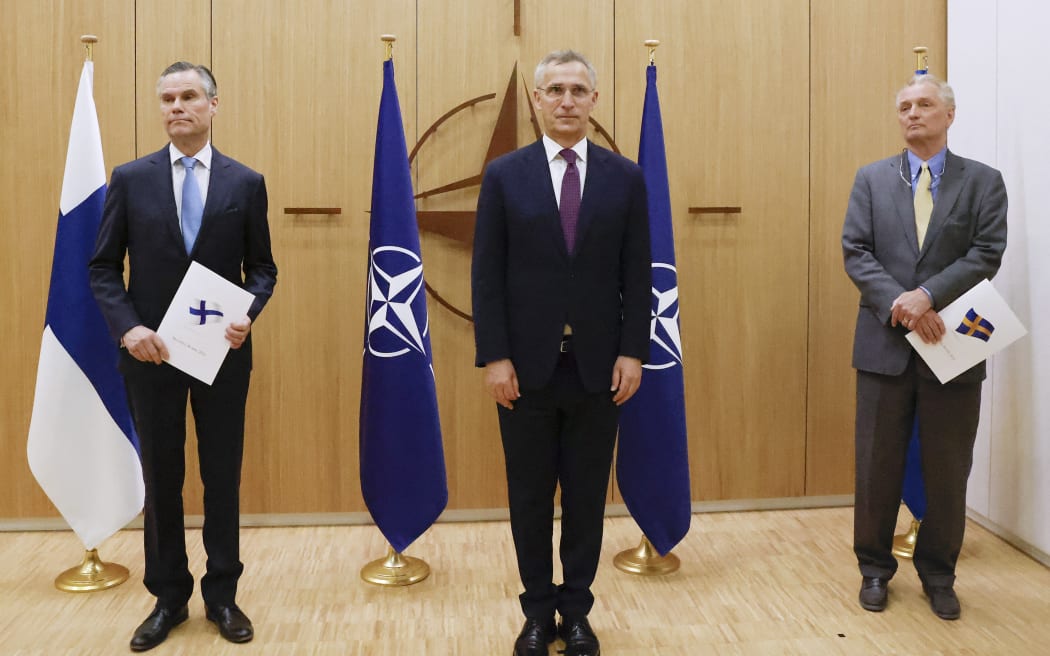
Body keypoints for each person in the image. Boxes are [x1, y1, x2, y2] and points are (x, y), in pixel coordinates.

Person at [89, 61, 277, 651]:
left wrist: (250, 311)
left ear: (213, 105)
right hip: (151, 357)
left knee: (221, 475)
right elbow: (101, 268)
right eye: (167, 98)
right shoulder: (130, 178)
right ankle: (168, 597)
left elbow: (263, 269)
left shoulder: (244, 183)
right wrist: (129, 328)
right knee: (162, 477)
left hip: (222, 355)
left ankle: (222, 594)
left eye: (189, 96)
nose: (177, 107)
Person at [471, 50, 651, 656]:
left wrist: (633, 352)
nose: (567, 100)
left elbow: (637, 274)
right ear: (539, 101)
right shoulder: (504, 176)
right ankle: (535, 611)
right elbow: (486, 275)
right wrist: (495, 357)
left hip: (600, 368)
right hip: (524, 369)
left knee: (583, 497)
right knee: (528, 496)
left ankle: (576, 612)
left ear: (594, 101)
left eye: (578, 90)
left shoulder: (625, 178)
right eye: (555, 90)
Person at [842, 73, 1007, 621]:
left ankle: (939, 574)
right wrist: (903, 302)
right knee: (876, 464)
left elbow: (986, 252)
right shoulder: (870, 179)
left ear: (949, 115)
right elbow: (856, 251)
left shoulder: (984, 181)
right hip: (885, 345)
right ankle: (873, 569)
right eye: (905, 106)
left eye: (925, 104)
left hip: (953, 348)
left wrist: (928, 294)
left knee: (946, 467)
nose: (913, 114)